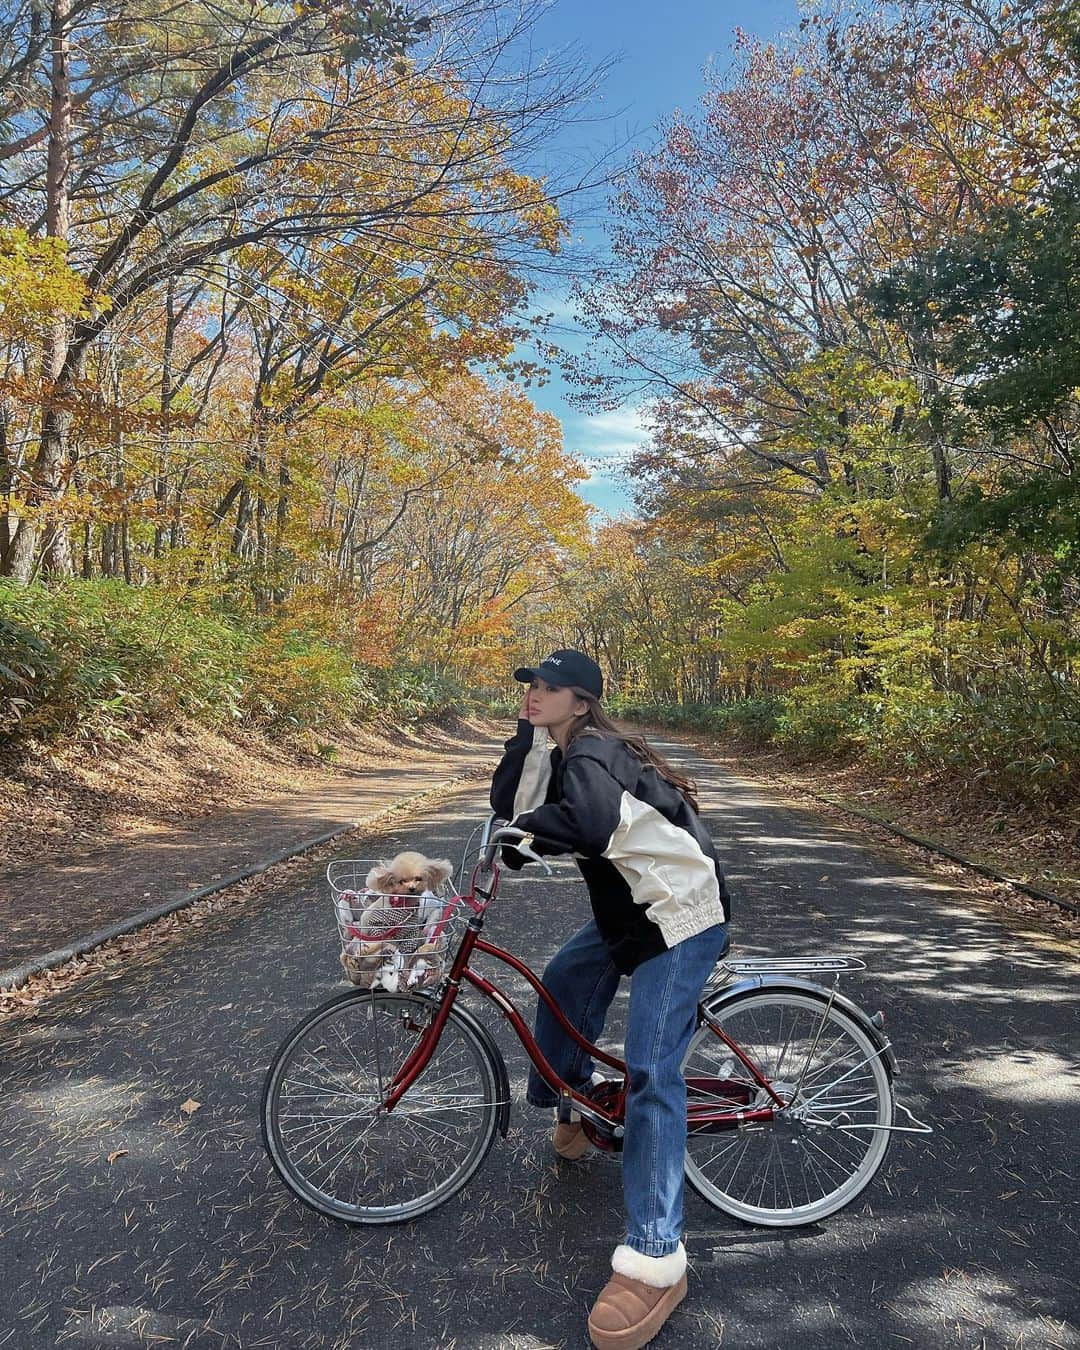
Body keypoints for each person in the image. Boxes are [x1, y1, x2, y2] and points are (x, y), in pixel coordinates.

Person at [489, 648, 732, 1350]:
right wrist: (528, 742)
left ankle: (657, 1260)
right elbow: (517, 808)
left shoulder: (595, 752)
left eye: (549, 687)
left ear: (583, 699)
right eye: (530, 685)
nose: (534, 693)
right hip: (630, 914)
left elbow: (586, 824)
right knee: (563, 983)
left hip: (683, 918)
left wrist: (524, 831)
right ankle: (580, 1103)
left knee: (654, 1070)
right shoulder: (564, 746)